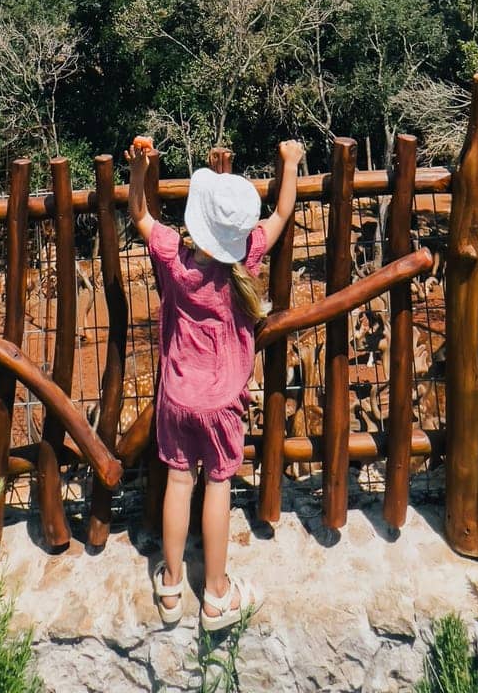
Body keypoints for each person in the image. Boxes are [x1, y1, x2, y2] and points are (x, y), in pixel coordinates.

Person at [126, 137, 305, 630]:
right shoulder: (246, 259)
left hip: (177, 395)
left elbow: (138, 212)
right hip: (222, 400)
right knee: (218, 487)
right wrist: (289, 162)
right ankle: (217, 595)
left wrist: (140, 170)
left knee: (179, 484)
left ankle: (170, 587)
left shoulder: (175, 260)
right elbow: (282, 212)